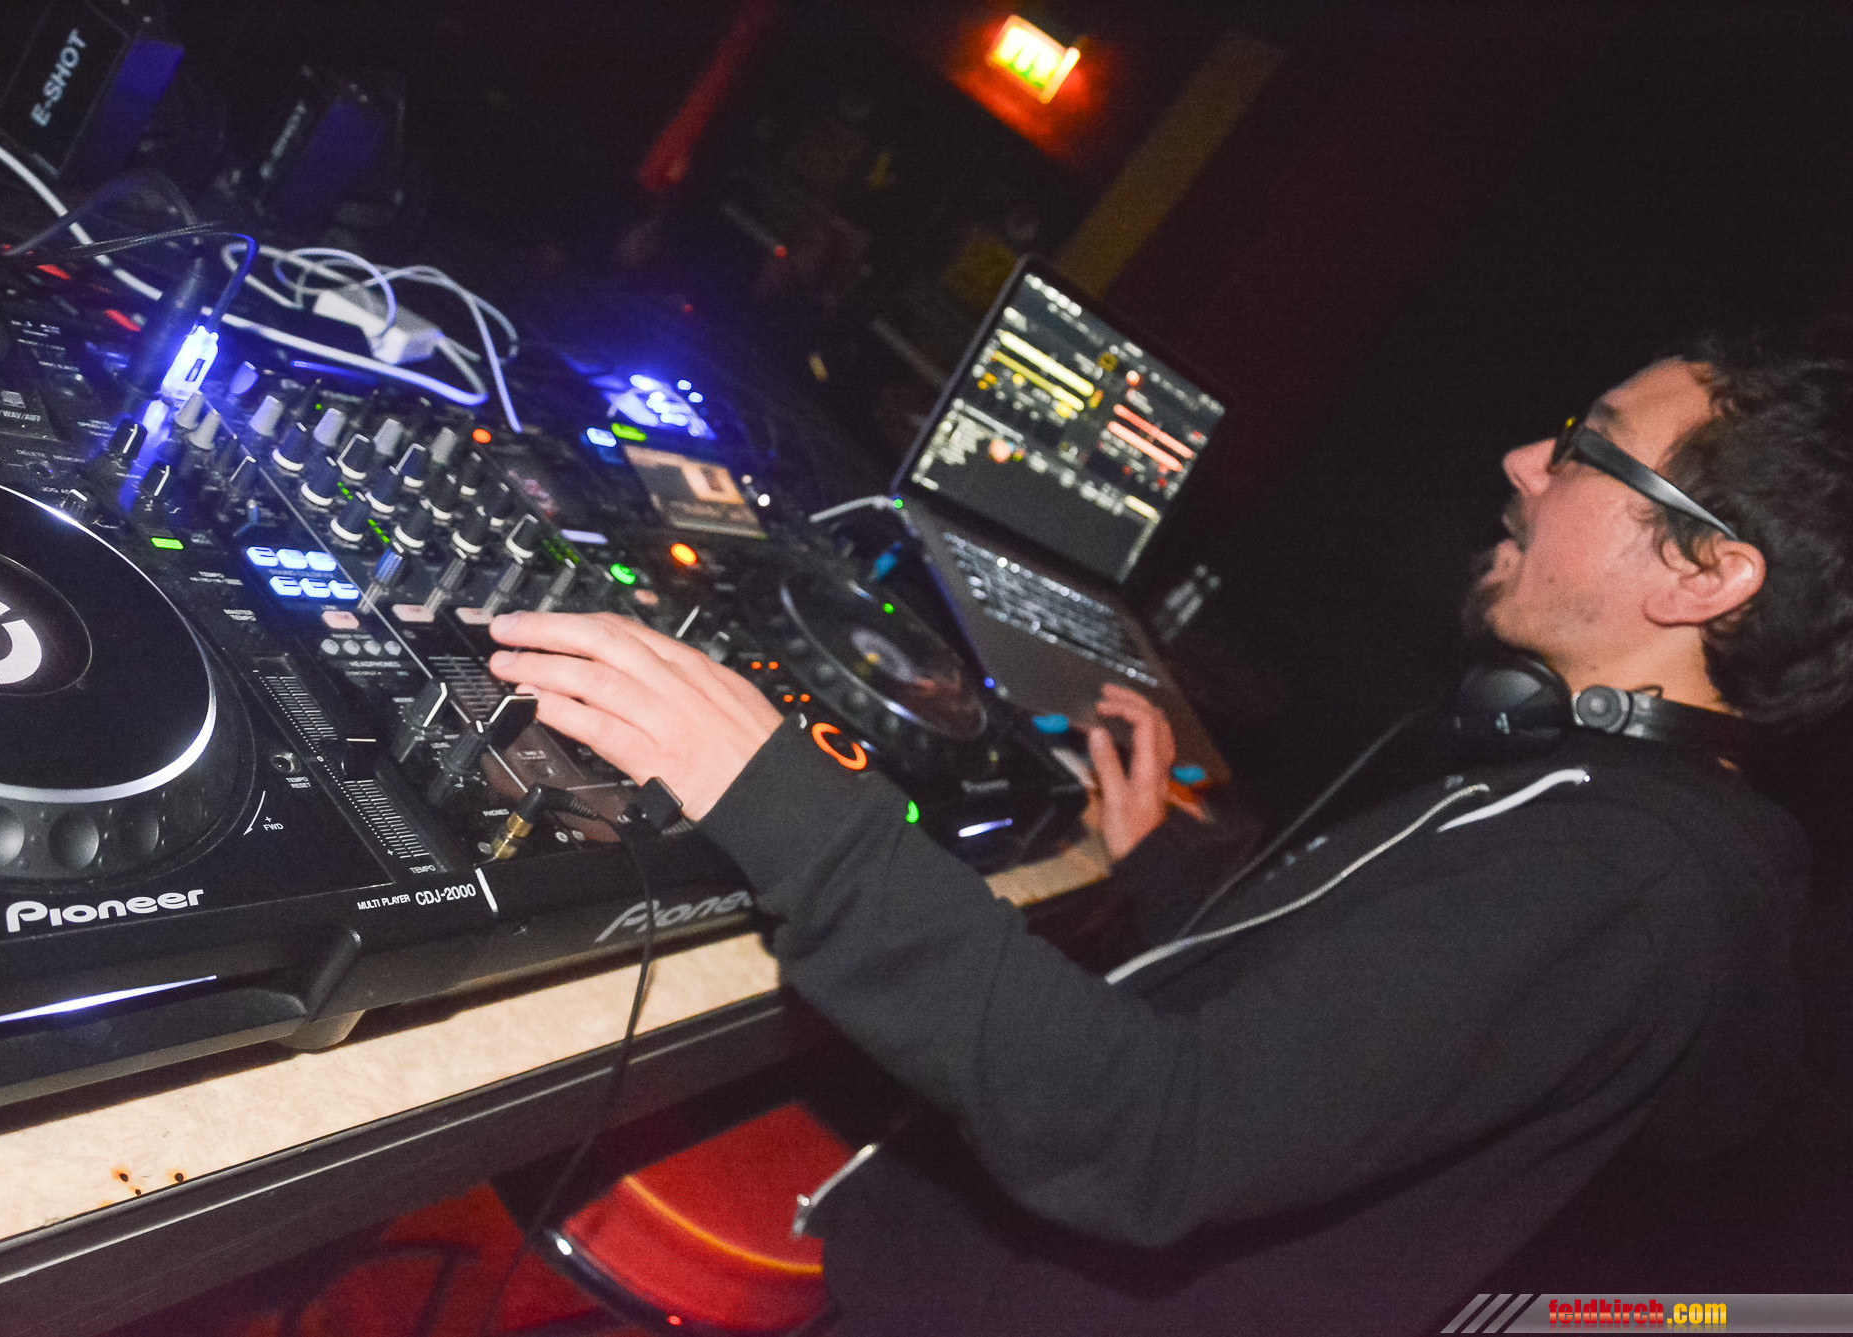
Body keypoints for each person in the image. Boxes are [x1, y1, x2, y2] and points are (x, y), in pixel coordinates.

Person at [485, 332, 1853, 1334]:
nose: (1526, 461)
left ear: (1707, 573)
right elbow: (1337, 1061)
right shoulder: (1608, 807)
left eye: (1590, 447)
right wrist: (1170, 868)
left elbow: (1151, 1137)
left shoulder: (1622, 878)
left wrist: (771, 789)